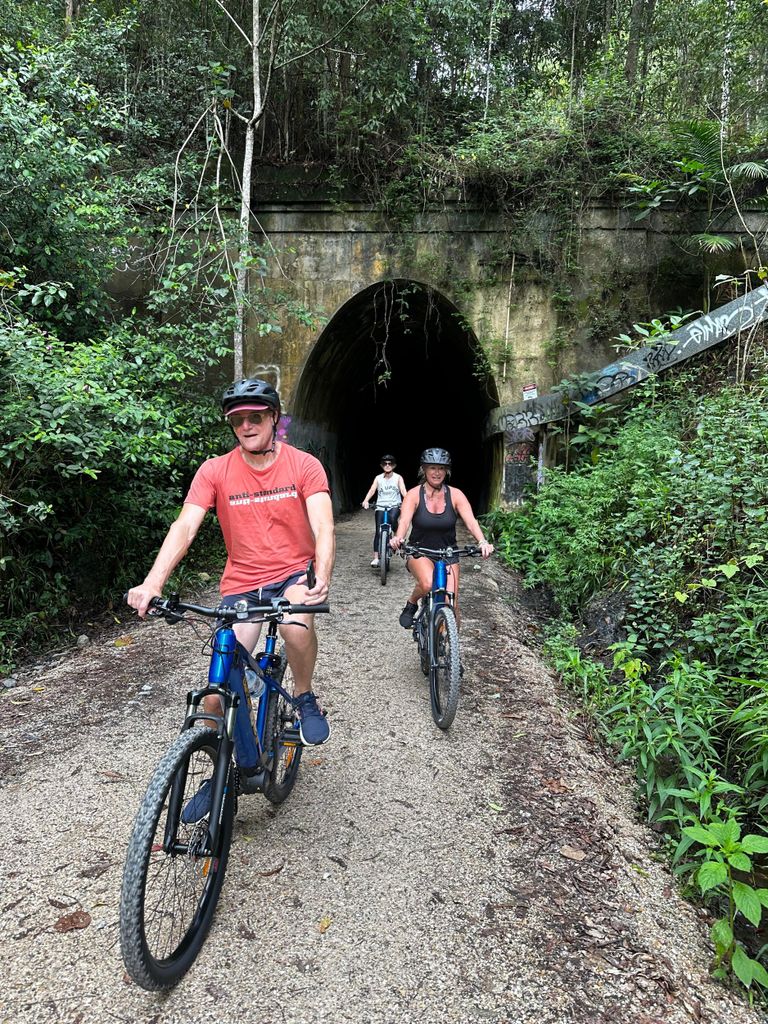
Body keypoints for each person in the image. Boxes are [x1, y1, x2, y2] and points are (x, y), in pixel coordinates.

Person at [127, 377, 335, 746]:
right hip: (242, 583)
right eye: (237, 419)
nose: (245, 426)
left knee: (294, 627)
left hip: (292, 575)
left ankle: (303, 696)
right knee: (216, 692)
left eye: (254, 417)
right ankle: (218, 774)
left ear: (274, 418)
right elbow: (185, 526)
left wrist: (321, 573)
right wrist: (153, 582)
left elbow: (322, 526)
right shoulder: (214, 470)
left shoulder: (304, 465)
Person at [390, 448, 493, 628]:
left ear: (447, 471)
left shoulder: (456, 495)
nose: (437, 473)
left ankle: (448, 648)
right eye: (432, 468)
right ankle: (412, 602)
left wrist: (482, 541)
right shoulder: (414, 495)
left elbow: (471, 522)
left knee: (451, 603)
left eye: (441, 468)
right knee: (428, 583)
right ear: (424, 470)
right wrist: (398, 538)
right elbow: (404, 521)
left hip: (448, 552)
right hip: (419, 551)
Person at [361, 454, 407, 567]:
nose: (387, 465)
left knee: (392, 519)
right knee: (378, 531)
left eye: (390, 463)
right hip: (380, 506)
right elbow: (372, 490)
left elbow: (403, 490)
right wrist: (366, 500)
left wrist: (408, 501)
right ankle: (376, 558)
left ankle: (396, 537)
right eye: (385, 463)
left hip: (394, 506)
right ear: (382, 465)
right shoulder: (378, 478)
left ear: (394, 465)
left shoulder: (398, 478)